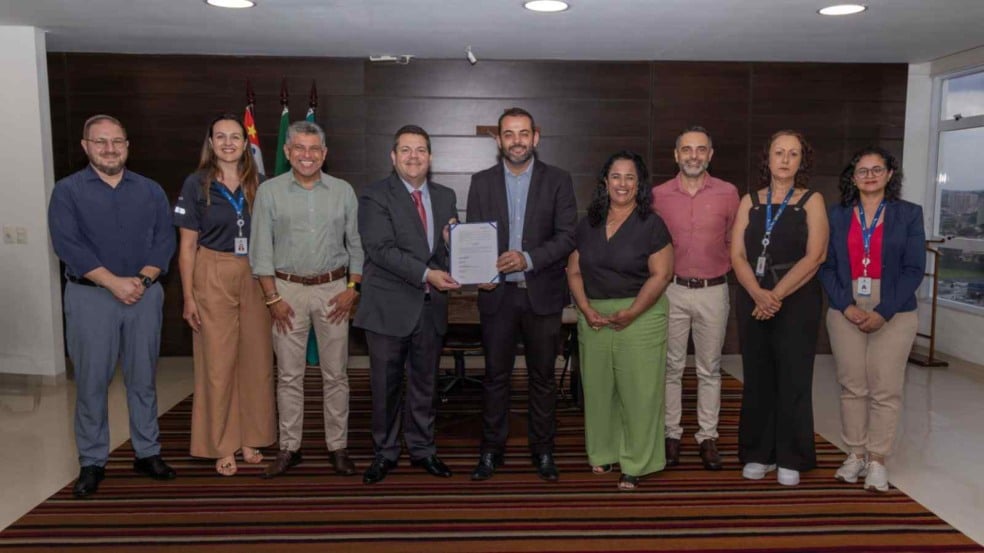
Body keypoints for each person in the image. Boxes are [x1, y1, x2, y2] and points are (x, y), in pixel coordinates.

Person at [48, 114, 177, 498]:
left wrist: (142, 280)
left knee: (143, 379)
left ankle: (146, 452)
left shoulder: (150, 190)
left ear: (127, 145)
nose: (110, 149)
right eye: (100, 142)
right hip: (90, 297)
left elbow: (164, 240)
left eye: (117, 141)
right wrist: (114, 283)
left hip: (144, 293)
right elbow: (68, 244)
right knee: (91, 382)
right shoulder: (67, 191)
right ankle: (92, 461)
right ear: (86, 146)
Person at [466, 107, 577, 482]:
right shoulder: (480, 182)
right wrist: (479, 271)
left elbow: (567, 236)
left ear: (536, 137)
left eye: (523, 133)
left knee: (542, 377)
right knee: (495, 376)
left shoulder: (558, 180)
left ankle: (543, 450)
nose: (517, 140)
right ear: (499, 140)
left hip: (540, 294)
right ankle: (491, 451)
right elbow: (475, 234)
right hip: (497, 296)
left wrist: (527, 258)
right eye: (509, 134)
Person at [249, 120, 364, 479]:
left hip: (334, 292)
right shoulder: (269, 192)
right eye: (299, 148)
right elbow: (260, 251)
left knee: (336, 375)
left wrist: (352, 289)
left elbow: (356, 245)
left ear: (324, 154)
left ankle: (338, 447)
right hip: (286, 292)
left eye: (314, 149)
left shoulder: (343, 191)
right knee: (288, 376)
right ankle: (289, 448)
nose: (307, 155)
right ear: (287, 152)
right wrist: (272, 299)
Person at [355, 125, 461, 484]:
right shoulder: (374, 196)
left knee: (425, 384)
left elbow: (444, 251)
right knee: (385, 386)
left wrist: (453, 244)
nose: (413, 156)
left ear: (430, 157)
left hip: (431, 308)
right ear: (393, 156)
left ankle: (423, 448)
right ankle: (384, 453)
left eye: (420, 150)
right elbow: (380, 250)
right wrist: (427, 274)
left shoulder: (446, 196)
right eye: (405, 150)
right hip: (388, 307)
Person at [173, 114, 276, 476]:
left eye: (235, 136)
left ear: (245, 143)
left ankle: (251, 436)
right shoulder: (196, 184)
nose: (229, 143)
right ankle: (222, 443)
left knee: (257, 359)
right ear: (211, 142)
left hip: (255, 272)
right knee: (217, 363)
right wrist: (188, 297)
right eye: (221, 137)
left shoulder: (260, 183)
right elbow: (186, 247)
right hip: (211, 270)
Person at [819, 146, 924, 492]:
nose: (869, 176)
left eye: (876, 169)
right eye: (862, 170)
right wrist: (845, 304)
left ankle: (877, 460)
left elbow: (913, 269)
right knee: (852, 385)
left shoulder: (909, 214)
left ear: (889, 174)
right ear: (852, 176)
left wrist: (883, 312)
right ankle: (855, 453)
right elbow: (826, 264)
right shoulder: (836, 215)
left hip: (893, 307)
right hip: (845, 304)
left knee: (885, 387)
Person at [567, 151, 674, 490]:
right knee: (598, 391)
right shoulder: (588, 224)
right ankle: (603, 452)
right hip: (594, 316)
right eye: (616, 176)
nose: (623, 184)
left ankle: (637, 461)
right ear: (605, 181)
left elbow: (661, 275)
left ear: (639, 184)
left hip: (641, 315)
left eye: (630, 177)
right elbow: (573, 271)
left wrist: (633, 311)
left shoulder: (652, 224)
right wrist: (585, 309)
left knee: (638, 392)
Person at [730, 130, 828, 487]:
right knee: (757, 377)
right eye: (778, 152)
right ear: (767, 159)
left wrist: (775, 296)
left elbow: (815, 256)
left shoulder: (812, 201)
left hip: (797, 299)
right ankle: (758, 453)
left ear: (802, 161)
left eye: (793, 154)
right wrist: (757, 293)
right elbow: (737, 254)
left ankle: (791, 456)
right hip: (753, 297)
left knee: (792, 378)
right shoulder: (750, 201)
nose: (785, 160)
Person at [651, 126, 739, 470]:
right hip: (670, 290)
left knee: (710, 369)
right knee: (670, 367)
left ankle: (708, 437)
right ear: (676, 155)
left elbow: (735, 240)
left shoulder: (729, 193)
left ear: (710, 155)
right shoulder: (658, 195)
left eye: (700, 150)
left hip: (713, 291)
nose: (693, 156)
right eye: (686, 150)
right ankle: (671, 434)